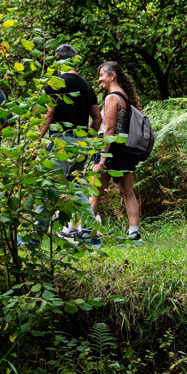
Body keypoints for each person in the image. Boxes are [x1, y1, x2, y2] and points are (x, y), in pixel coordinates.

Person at [38, 45, 102, 243]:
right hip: (80, 143)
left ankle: (36, 235)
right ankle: (89, 233)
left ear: (57, 62)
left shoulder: (54, 83)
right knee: (78, 187)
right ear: (74, 59)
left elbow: (49, 113)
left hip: (61, 142)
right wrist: (86, 138)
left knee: (48, 187)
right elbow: (97, 118)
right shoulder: (86, 85)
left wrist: (37, 140)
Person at [92, 60, 143, 242]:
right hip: (124, 148)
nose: (100, 79)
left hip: (110, 148)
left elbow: (109, 130)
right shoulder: (125, 98)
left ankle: (87, 232)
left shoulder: (112, 98)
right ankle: (134, 232)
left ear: (112, 75)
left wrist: (102, 158)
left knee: (95, 191)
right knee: (128, 192)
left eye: (102, 75)